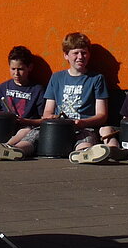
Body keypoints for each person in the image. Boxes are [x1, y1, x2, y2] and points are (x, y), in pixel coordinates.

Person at [42, 32, 110, 164]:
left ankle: (83, 154)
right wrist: (52, 117)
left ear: (89, 55)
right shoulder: (56, 78)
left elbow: (102, 115)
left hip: (84, 126)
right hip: (59, 127)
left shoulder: (97, 79)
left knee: (86, 138)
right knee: (33, 135)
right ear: (66, 55)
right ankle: (14, 150)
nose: (80, 57)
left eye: (84, 53)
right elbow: (47, 111)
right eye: (76, 53)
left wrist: (83, 122)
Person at [0, 46, 46, 161]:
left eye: (20, 69)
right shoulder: (3, 87)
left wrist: (25, 121)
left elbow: (43, 119)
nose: (16, 73)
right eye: (13, 69)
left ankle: (6, 147)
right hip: (4, 126)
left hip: (25, 126)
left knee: (26, 130)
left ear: (29, 67)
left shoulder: (37, 89)